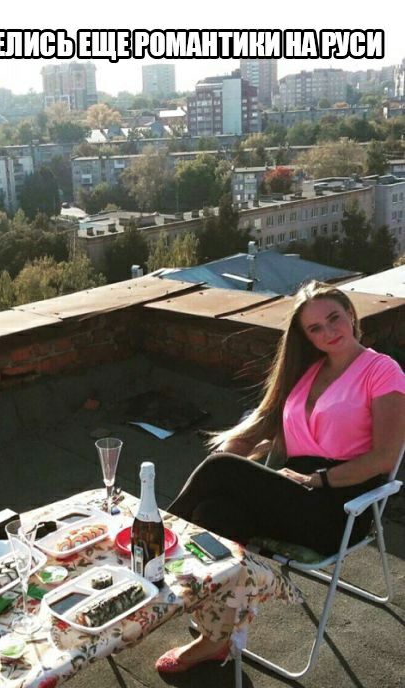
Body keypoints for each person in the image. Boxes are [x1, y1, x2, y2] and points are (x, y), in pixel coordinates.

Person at [156, 281, 405, 673]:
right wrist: (238, 456)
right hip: (292, 494)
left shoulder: (382, 371)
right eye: (315, 328)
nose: (328, 332)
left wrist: (318, 480)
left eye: (334, 318)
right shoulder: (307, 372)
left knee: (220, 470)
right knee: (215, 513)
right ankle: (215, 640)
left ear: (351, 314)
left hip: (338, 508)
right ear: (306, 336)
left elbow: (384, 457)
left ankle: (151, 552)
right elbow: (266, 433)